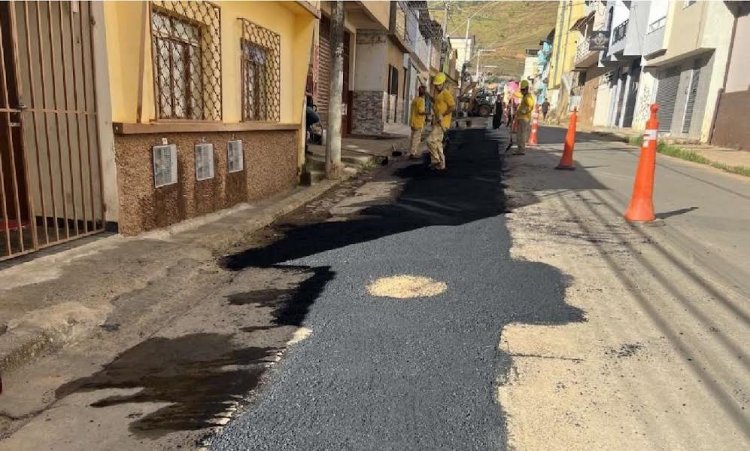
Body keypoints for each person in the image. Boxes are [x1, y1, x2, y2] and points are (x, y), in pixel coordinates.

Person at [425, 72, 454, 170]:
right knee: (437, 143)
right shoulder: (439, 94)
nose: (437, 87)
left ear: (444, 83)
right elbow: (436, 102)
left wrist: (443, 114)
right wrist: (428, 95)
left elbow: (452, 106)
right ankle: (442, 165)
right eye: (436, 85)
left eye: (439, 85)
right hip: (437, 121)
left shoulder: (446, 93)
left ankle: (435, 160)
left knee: (429, 140)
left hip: (442, 123)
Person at [513, 79, 536, 155]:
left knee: (522, 134)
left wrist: (524, 111)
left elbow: (531, 106)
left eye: (523, 90)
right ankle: (519, 149)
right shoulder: (524, 95)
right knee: (519, 134)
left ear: (526, 89)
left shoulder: (528, 97)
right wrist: (512, 93)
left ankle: (521, 150)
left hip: (524, 118)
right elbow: (518, 94)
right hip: (521, 118)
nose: (522, 91)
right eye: (521, 90)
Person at [409, 85, 427, 159]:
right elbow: (420, 111)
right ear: (424, 92)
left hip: (412, 121)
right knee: (416, 138)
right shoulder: (421, 100)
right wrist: (427, 113)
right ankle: (413, 153)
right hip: (418, 122)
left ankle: (411, 152)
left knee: (412, 138)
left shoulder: (415, 99)